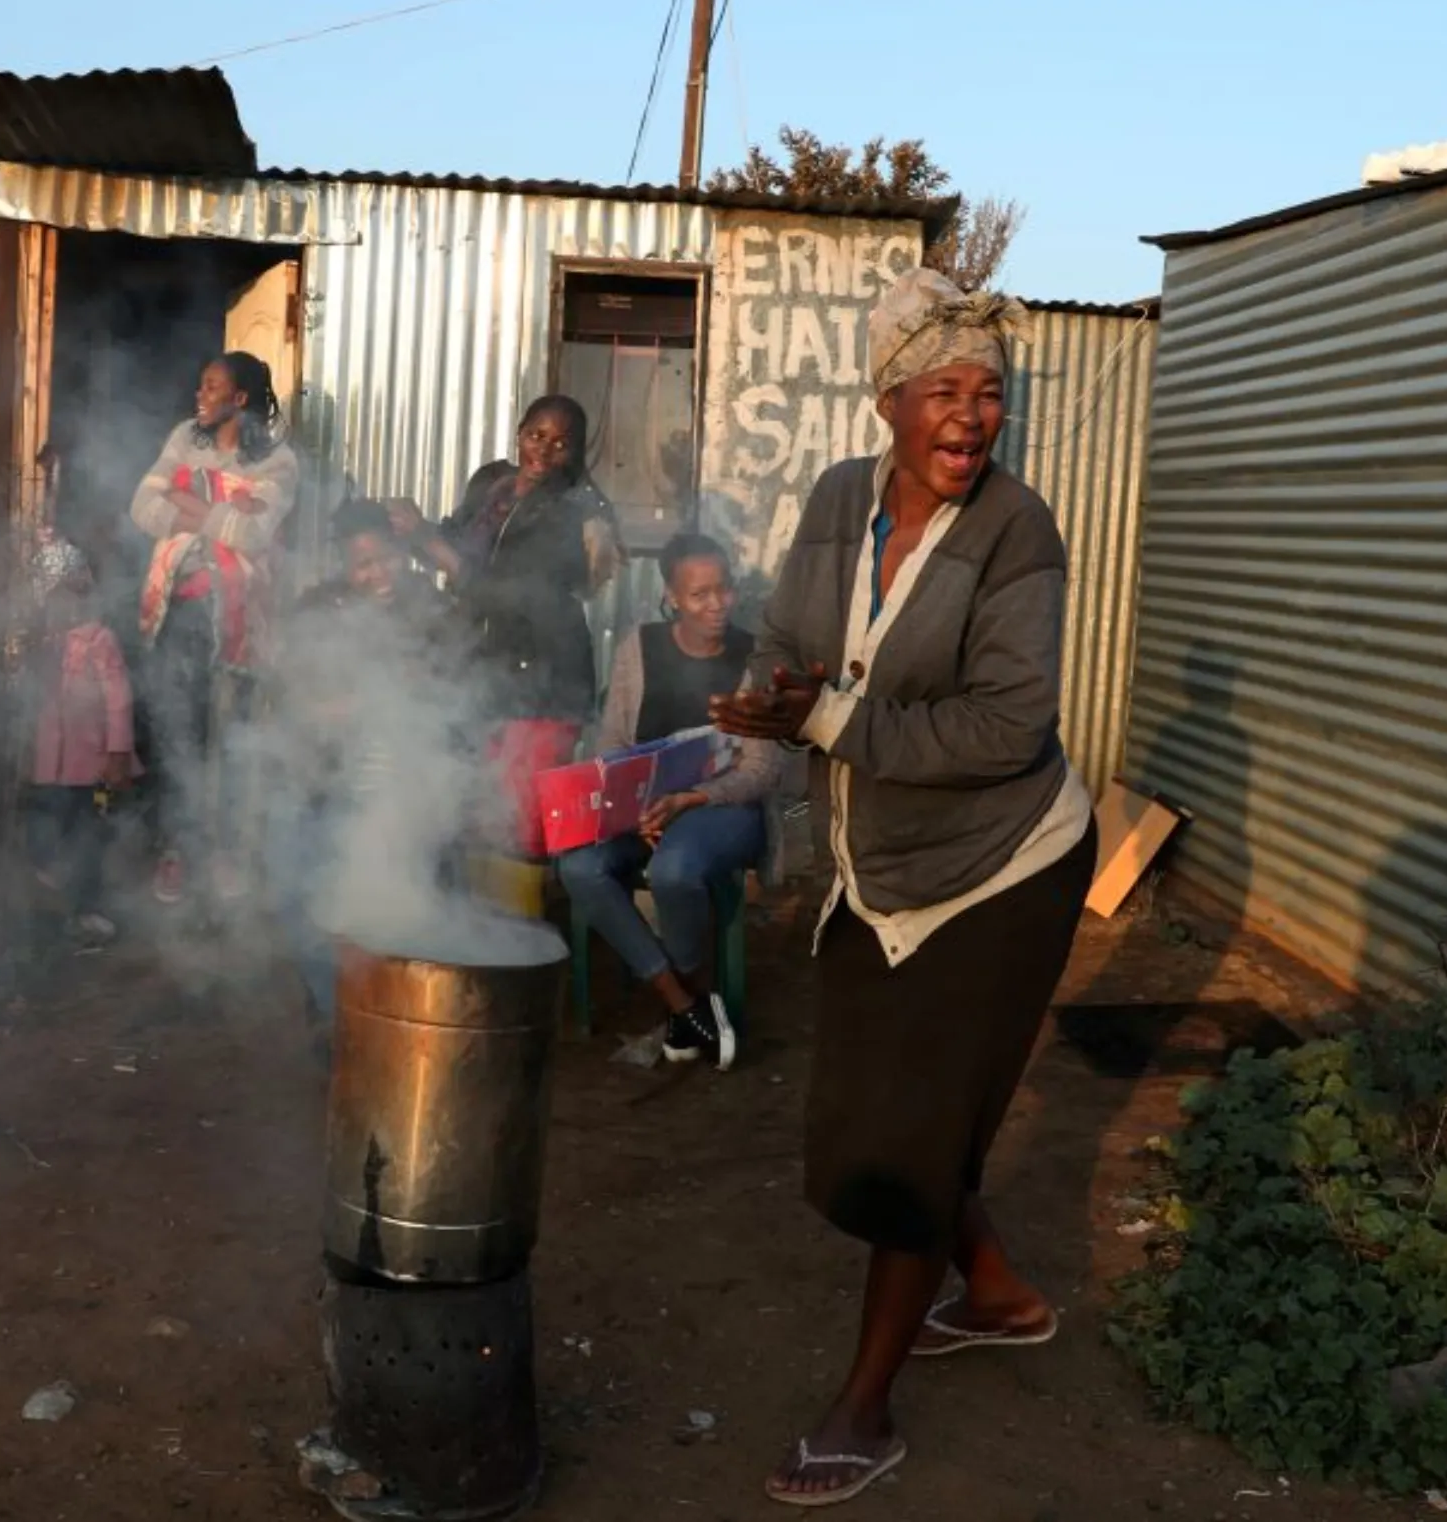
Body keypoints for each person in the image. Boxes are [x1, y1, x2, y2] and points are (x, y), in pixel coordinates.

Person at [710, 269, 1096, 1508]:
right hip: (881, 869)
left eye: (990, 394)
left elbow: (1004, 727)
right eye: (946, 391)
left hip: (1000, 867)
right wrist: (771, 694)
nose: (972, 419)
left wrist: (825, 712)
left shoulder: (1018, 529)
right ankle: (998, 1290)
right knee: (894, 1108)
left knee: (913, 1134)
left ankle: (863, 1410)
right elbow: (787, 634)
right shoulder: (836, 499)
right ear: (889, 399)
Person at [556, 533, 779, 1069]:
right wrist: (633, 807)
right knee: (579, 866)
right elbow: (612, 743)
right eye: (699, 594)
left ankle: (682, 997)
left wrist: (690, 800)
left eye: (723, 590)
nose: (716, 604)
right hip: (645, 810)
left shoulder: (754, 658)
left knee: (676, 869)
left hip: (721, 810)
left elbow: (761, 769)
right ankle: (684, 1003)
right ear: (673, 597)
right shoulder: (640, 646)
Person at [264, 500, 459, 1056]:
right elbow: (299, 703)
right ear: (344, 567)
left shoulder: (431, 608)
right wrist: (367, 700)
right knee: (306, 898)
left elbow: (454, 692)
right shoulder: (318, 611)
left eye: (387, 559)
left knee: (396, 907)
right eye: (362, 565)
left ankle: (380, 1021)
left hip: (408, 784)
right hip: (324, 781)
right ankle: (337, 1015)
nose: (378, 575)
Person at [385, 394, 620, 852]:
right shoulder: (493, 482)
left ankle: (522, 922)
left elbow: (508, 594)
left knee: (518, 822)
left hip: (542, 684)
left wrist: (425, 541)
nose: (545, 450)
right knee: (467, 809)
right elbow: (453, 541)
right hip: (479, 671)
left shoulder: (574, 512)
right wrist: (408, 528)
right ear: (519, 434)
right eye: (537, 435)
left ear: (576, 454)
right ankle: (476, 918)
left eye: (561, 443)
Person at [128, 351, 301, 909]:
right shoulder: (186, 437)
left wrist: (187, 496)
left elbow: (254, 536)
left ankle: (224, 854)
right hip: (176, 609)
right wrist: (222, 507)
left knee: (228, 739)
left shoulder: (277, 461)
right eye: (200, 385)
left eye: (210, 387)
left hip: (239, 621)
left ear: (240, 399)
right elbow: (140, 507)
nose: (199, 396)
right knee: (177, 736)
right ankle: (176, 850)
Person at [18, 531, 137, 949]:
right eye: (53, 598)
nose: (61, 606)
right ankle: (49, 894)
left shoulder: (99, 640)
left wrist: (118, 750)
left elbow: (118, 697)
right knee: (44, 829)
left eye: (69, 595)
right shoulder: (43, 643)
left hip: (88, 764)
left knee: (86, 837)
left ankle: (85, 909)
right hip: (48, 764)